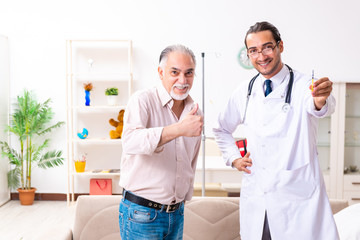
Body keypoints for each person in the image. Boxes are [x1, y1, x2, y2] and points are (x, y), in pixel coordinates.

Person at [213, 21, 339, 240]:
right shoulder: (245, 91)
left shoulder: (303, 85)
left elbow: (321, 106)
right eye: (253, 50)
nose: (261, 56)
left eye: (267, 47)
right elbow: (221, 128)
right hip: (258, 199)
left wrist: (321, 100)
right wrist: (234, 158)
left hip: (298, 201)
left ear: (280, 46)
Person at [119, 44, 203, 240]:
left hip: (177, 212)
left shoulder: (195, 112)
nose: (182, 80)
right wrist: (178, 129)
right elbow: (131, 142)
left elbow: (191, 159)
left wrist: (182, 201)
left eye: (189, 73)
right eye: (175, 72)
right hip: (142, 213)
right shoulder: (143, 100)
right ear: (161, 72)